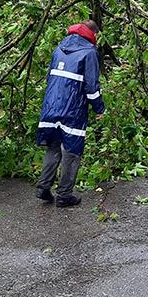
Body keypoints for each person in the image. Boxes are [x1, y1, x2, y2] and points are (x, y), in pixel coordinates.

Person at [35, 20, 105, 208]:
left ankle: (43, 187)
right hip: (73, 109)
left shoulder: (59, 49)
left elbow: (50, 78)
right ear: (93, 34)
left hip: (50, 106)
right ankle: (64, 195)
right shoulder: (89, 53)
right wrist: (99, 108)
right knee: (71, 151)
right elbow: (91, 87)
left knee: (53, 147)